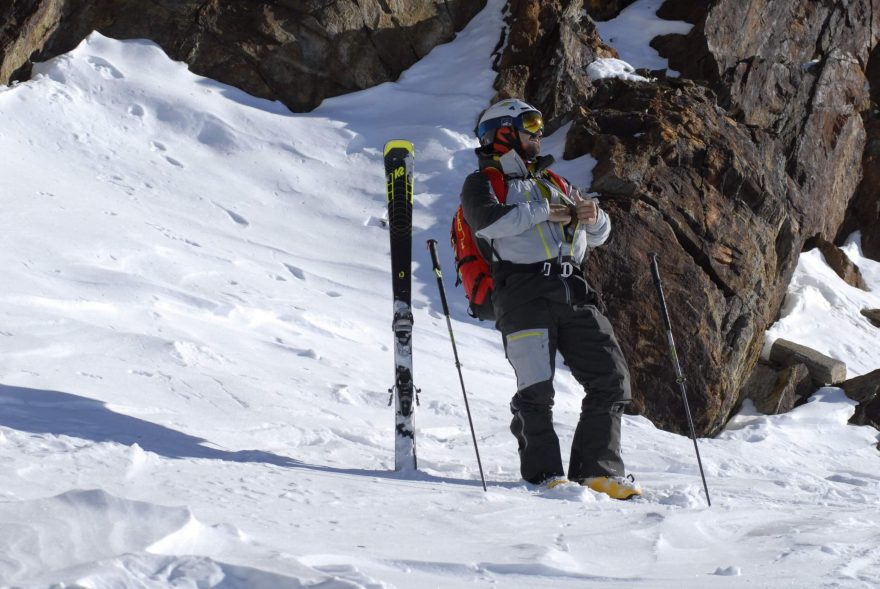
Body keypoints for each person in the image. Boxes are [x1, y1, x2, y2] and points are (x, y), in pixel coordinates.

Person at [459, 98, 640, 499]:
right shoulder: (484, 182)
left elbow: (599, 235)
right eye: (529, 124)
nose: (538, 133)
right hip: (523, 292)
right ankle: (544, 474)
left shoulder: (556, 182)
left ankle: (598, 471)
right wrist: (546, 212)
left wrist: (594, 216)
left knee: (611, 377)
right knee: (536, 388)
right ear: (502, 132)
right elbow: (487, 222)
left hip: (573, 288)